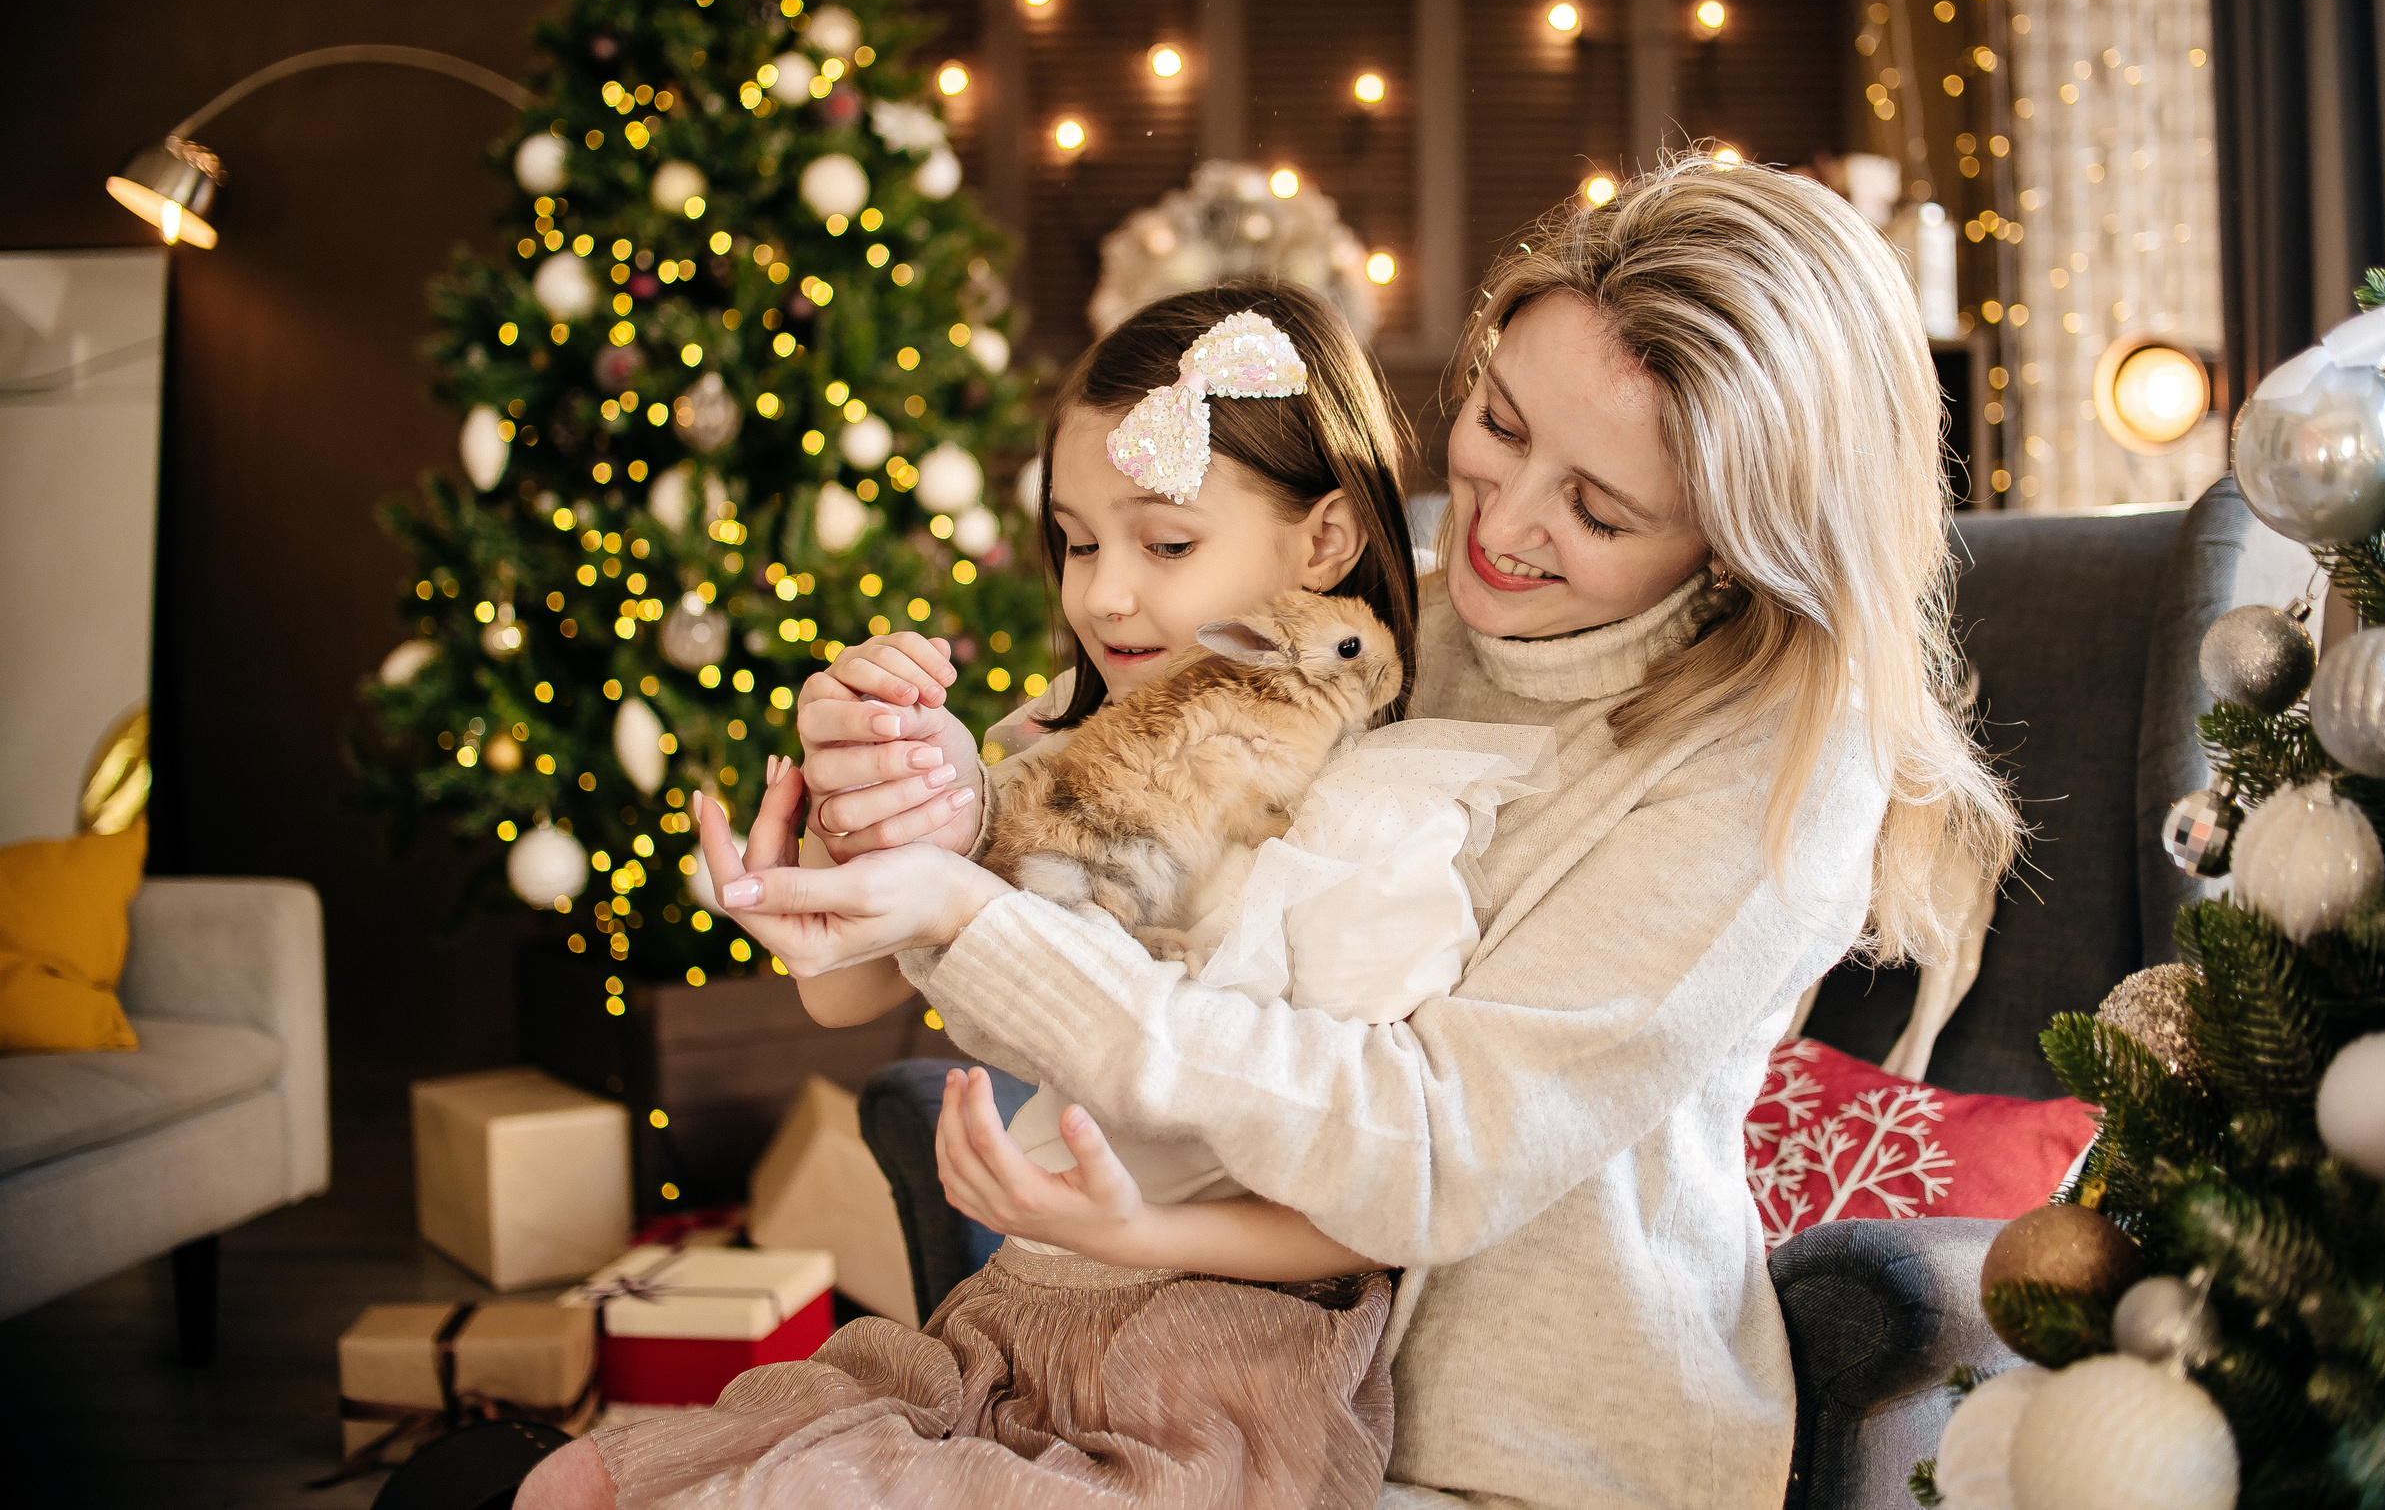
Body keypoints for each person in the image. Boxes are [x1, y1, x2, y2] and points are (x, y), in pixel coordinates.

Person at [538, 152, 2022, 1509]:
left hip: (1517, 1450)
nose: (1500, 523)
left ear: (1742, 539)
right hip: (1147, 1360)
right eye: (1499, 424)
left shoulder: (1779, 774)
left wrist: (965, 914)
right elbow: (1080, 842)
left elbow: (1429, 1146)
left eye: (1600, 508)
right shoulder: (1377, 618)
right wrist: (900, 800)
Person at [527, 278, 1533, 1509]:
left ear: (1323, 541)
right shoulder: (1061, 744)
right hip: (1013, 1316)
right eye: (1077, 540)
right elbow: (845, 994)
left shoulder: (1374, 820)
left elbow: (1377, 1201)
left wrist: (1133, 1235)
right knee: (569, 1482)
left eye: (1166, 543)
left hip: (1217, 1361)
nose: (1102, 593)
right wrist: (839, 836)